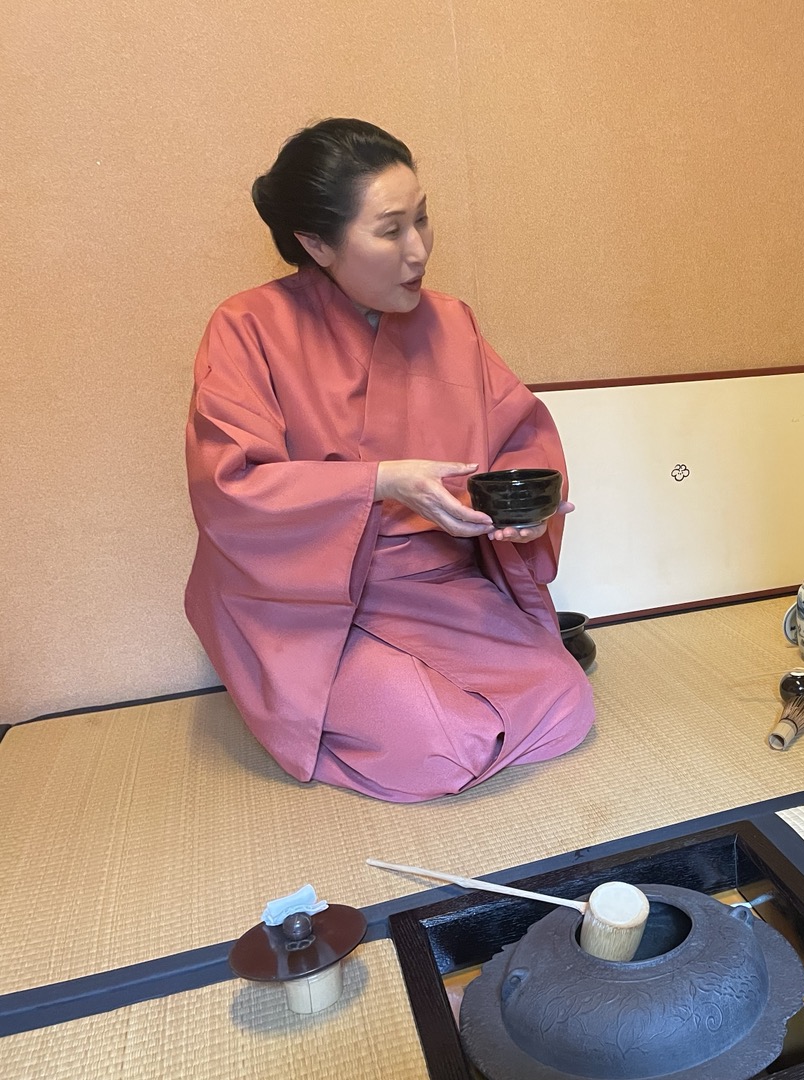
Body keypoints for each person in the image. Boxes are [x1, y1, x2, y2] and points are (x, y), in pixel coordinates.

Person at [184, 119, 595, 802]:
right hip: (314, 604)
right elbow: (232, 486)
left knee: (566, 702)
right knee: (441, 744)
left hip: (439, 585)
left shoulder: (451, 321)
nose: (418, 250)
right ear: (317, 243)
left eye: (423, 219)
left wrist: (521, 514)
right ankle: (331, 708)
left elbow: (517, 439)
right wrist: (379, 482)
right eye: (390, 230)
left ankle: (400, 708)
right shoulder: (247, 328)